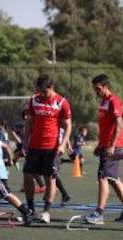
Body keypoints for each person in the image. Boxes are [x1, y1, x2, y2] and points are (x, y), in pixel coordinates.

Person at [85, 74, 123, 225]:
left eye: (98, 88)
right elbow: (106, 127)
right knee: (113, 179)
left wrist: (112, 145)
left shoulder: (114, 101)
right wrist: (99, 145)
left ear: (106, 86)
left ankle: (99, 213)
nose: (96, 91)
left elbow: (119, 124)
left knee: (103, 177)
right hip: (105, 145)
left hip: (112, 146)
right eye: (94, 89)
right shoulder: (103, 101)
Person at [22, 73, 72, 223]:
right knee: (27, 176)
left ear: (52, 88)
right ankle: (30, 209)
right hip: (34, 146)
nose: (42, 94)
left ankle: (46, 212)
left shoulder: (62, 102)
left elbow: (68, 126)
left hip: (52, 147)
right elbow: (29, 122)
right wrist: (25, 141)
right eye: (40, 90)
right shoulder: (34, 100)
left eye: (45, 91)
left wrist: (63, 144)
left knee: (50, 179)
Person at [11, 109, 46, 193]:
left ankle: (43, 186)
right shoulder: (24, 123)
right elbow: (14, 131)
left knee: (31, 167)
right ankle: (27, 186)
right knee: (27, 168)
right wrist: (19, 140)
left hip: (32, 147)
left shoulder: (32, 124)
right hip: (26, 147)